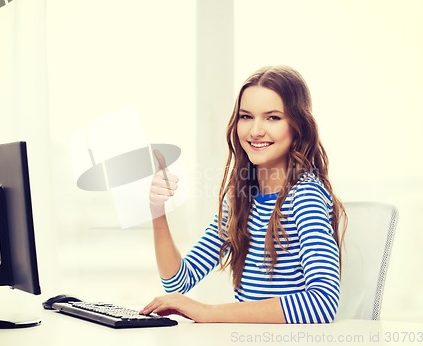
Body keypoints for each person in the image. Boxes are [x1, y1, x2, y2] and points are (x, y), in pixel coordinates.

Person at [140, 65, 347, 324]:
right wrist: (158, 212)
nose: (255, 131)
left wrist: (208, 312)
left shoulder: (305, 196)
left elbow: (322, 304)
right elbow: (178, 281)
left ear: (298, 127)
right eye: (246, 116)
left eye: (273, 118)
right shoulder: (242, 199)